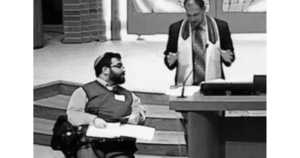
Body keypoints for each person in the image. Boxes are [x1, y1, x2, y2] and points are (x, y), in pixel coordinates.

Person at [163, 0, 235, 149]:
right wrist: (170, 60)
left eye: (196, 15)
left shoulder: (220, 27)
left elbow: (229, 55)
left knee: (215, 131)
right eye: (188, 15)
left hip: (213, 88)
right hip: (187, 89)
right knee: (191, 133)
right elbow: (169, 58)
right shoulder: (176, 29)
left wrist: (228, 58)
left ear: (204, 9)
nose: (192, 19)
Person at [66, 52, 146, 158]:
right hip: (90, 142)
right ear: (105, 70)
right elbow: (73, 114)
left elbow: (139, 110)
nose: (123, 69)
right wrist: (93, 120)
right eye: (118, 66)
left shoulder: (128, 95)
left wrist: (137, 116)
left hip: (119, 144)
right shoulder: (84, 91)